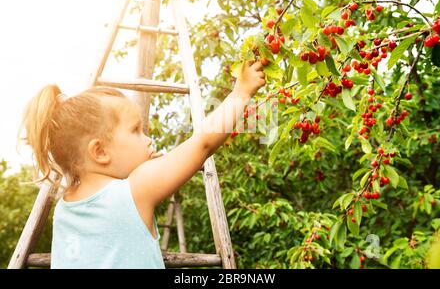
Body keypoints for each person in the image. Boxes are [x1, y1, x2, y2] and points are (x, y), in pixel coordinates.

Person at [18, 60, 266, 268]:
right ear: (100, 151)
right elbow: (203, 144)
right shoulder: (135, 190)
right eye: (136, 130)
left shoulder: (65, 209)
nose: (148, 139)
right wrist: (241, 92)